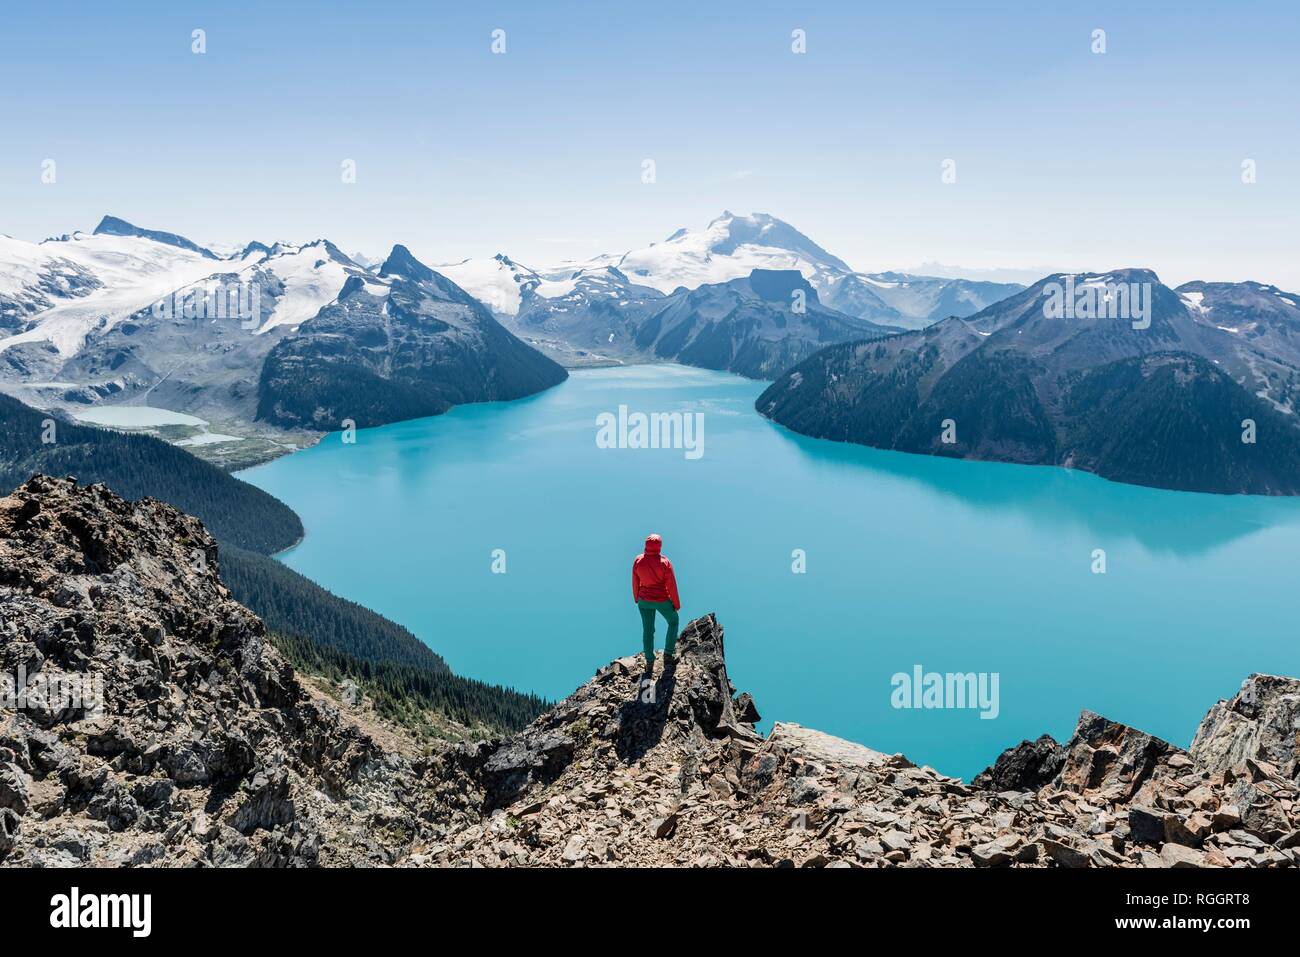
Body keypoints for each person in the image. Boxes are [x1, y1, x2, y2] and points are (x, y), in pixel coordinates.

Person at [632, 533, 680, 674]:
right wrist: (676, 604)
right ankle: (668, 655)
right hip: (661, 600)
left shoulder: (638, 560)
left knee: (648, 630)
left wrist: (636, 598)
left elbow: (635, 581)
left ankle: (649, 661)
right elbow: (671, 585)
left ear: (646, 545)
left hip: (644, 601)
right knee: (673, 621)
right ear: (660, 546)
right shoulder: (664, 562)